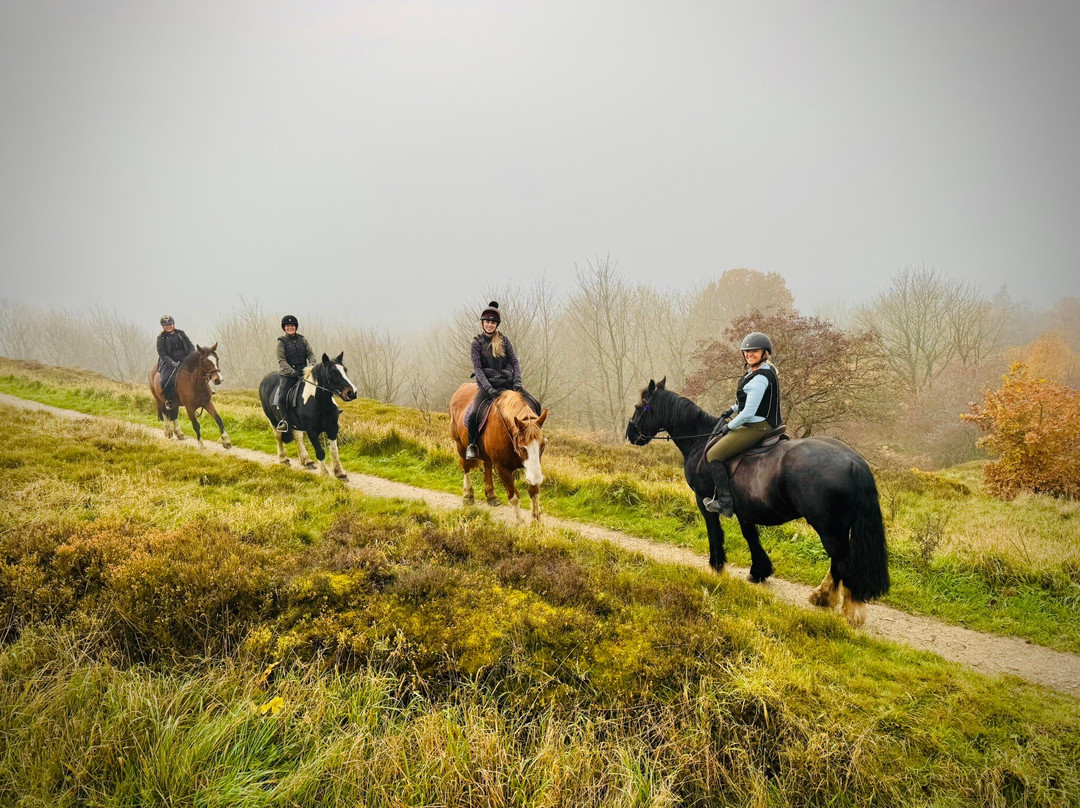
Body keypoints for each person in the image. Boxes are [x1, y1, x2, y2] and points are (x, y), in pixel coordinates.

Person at [702, 331, 783, 516]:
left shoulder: (760, 378)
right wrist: (732, 409)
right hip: (762, 421)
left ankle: (725, 502)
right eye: (746, 351)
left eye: (755, 351)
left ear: (765, 353)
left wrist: (729, 426)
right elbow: (748, 402)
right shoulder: (760, 371)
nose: (750, 354)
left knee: (713, 454)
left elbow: (748, 412)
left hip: (757, 426)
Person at [465, 301, 539, 459]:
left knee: (536, 403)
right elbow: (478, 369)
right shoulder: (476, 343)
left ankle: (534, 437)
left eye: (493, 322)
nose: (490, 325)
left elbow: (515, 362)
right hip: (487, 386)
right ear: (482, 323)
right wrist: (489, 388)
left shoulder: (504, 341)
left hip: (508, 384)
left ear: (496, 324)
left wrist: (518, 381)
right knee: (474, 414)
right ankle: (472, 445)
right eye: (487, 322)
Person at [273, 314, 315, 432]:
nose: (290, 327)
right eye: (287, 326)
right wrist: (291, 371)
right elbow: (281, 360)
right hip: (288, 375)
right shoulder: (281, 342)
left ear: (295, 327)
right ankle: (285, 422)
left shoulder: (303, 340)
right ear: (284, 328)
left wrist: (311, 366)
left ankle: (330, 411)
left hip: (304, 373)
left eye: (292, 325)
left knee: (320, 387)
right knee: (281, 398)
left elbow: (310, 354)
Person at [156, 315, 194, 402]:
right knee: (164, 381)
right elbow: (162, 353)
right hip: (170, 362)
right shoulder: (161, 338)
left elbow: (190, 346)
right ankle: (169, 400)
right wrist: (172, 363)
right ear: (163, 326)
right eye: (166, 325)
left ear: (174, 324)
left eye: (170, 324)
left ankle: (208, 389)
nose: (169, 327)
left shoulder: (181, 333)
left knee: (201, 370)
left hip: (186, 359)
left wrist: (190, 357)